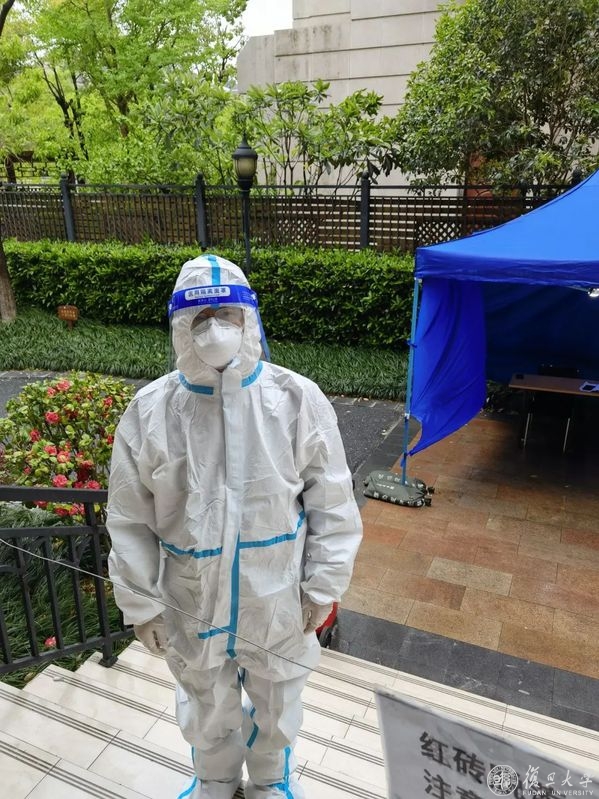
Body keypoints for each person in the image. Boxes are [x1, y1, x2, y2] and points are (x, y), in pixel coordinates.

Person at [106, 253, 363, 799]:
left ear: (250, 319)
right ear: (180, 326)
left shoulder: (296, 399)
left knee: (278, 698)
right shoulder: (150, 411)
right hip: (190, 598)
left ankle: (271, 781)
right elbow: (129, 519)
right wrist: (142, 604)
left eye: (227, 314)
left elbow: (333, 503)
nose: (215, 329)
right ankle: (216, 780)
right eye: (200, 317)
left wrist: (323, 586)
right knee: (205, 700)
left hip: (276, 597)